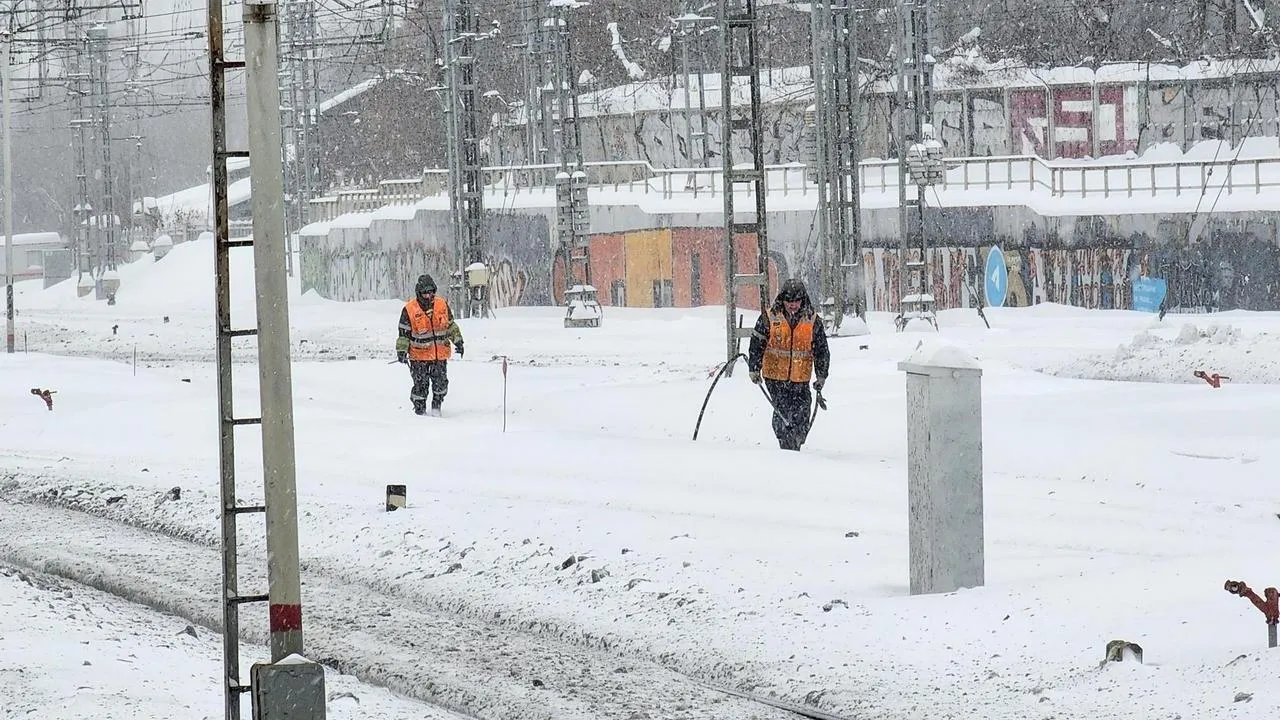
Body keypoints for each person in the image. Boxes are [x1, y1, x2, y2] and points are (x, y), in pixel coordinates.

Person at [746, 278, 830, 451]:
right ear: (782, 300)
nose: (793, 305)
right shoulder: (769, 318)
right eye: (789, 301)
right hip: (775, 377)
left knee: (802, 412)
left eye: (797, 301)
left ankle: (796, 441)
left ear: (803, 300)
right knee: (783, 413)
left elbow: (821, 350)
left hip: (801, 378)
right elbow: (757, 344)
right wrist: (754, 368)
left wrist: (821, 375)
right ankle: (786, 446)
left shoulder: (812, 320)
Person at [396, 274, 464, 416]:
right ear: (419, 293)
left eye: (431, 292)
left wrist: (458, 341)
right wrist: (402, 350)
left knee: (441, 385)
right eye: (425, 293)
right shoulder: (409, 309)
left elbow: (450, 326)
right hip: (418, 357)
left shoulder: (442, 305)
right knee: (420, 386)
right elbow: (403, 334)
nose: (428, 296)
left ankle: (436, 407)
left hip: (439, 356)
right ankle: (419, 412)